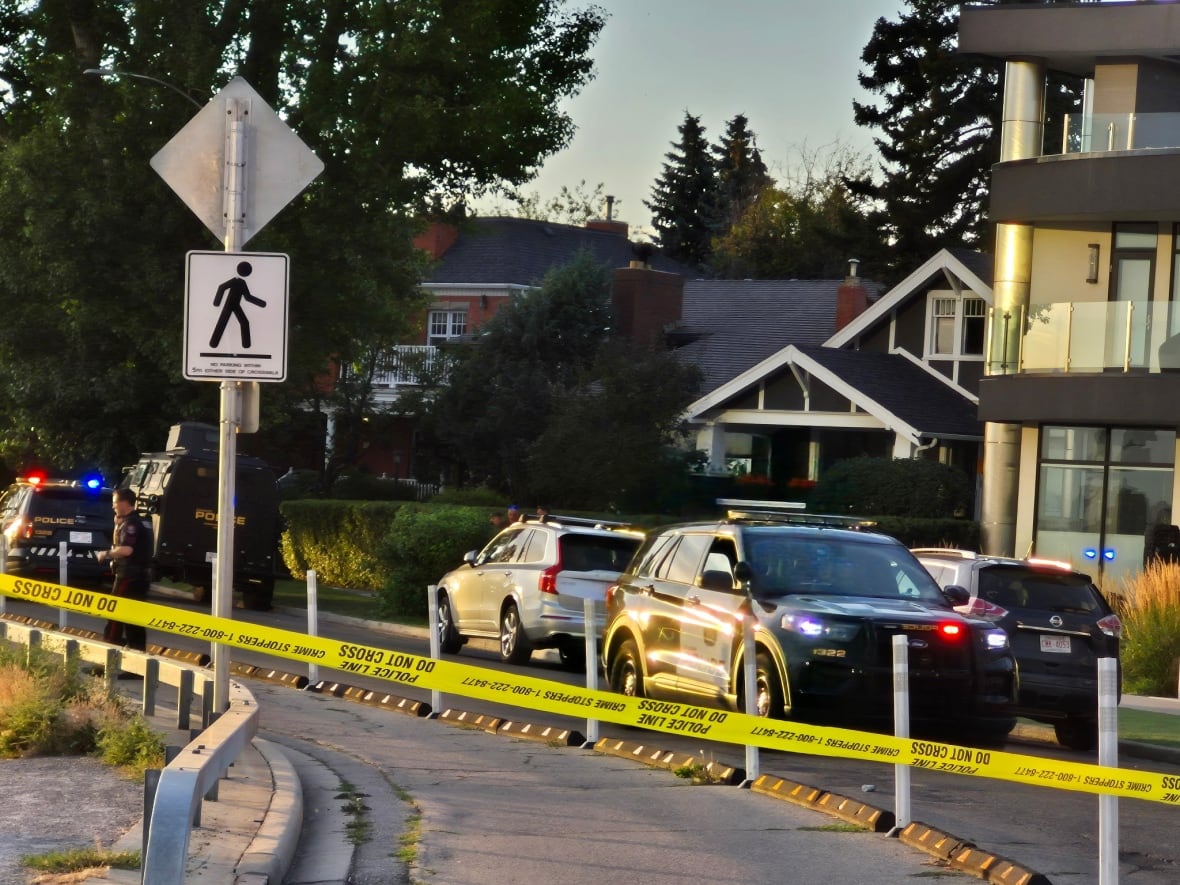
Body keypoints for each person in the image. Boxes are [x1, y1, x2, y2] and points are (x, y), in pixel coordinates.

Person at [95, 488, 154, 653]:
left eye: (115, 503)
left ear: (125, 503)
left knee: (114, 613)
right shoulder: (133, 521)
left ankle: (109, 653)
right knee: (133, 620)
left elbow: (127, 550)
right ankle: (137, 654)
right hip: (138, 576)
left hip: (129, 576)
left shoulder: (131, 524)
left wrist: (106, 554)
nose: (113, 506)